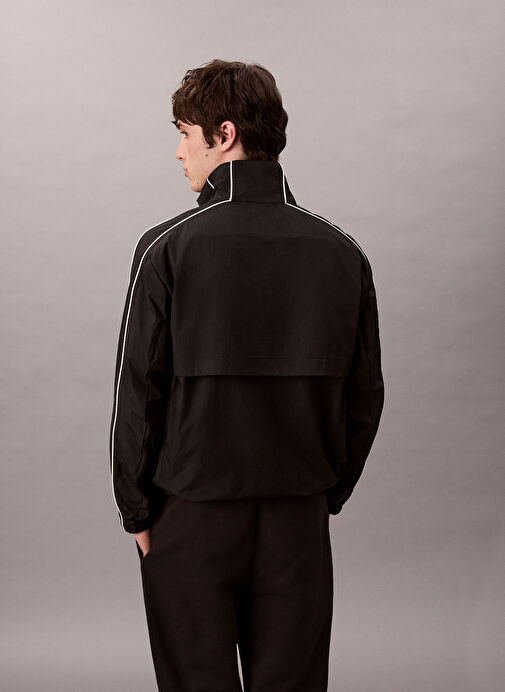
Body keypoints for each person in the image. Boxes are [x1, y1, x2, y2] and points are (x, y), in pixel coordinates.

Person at [109, 58, 384, 691]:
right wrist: (322, 495)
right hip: (297, 517)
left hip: (190, 514)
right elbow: (364, 398)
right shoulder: (344, 253)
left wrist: (137, 511)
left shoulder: (166, 247)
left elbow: (139, 392)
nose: (179, 151)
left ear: (224, 135)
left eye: (186, 133)